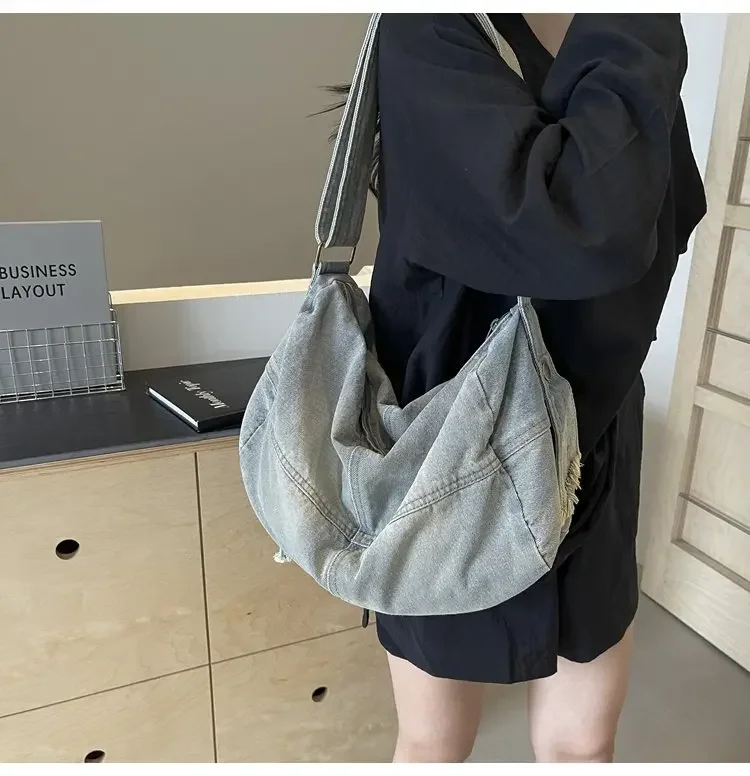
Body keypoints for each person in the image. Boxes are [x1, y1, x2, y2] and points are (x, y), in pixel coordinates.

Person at [328, 14, 706, 763]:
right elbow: (579, 224)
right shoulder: (431, 25)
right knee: (436, 744)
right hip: (446, 447)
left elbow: (670, 207)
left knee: (580, 746)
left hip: (590, 436)